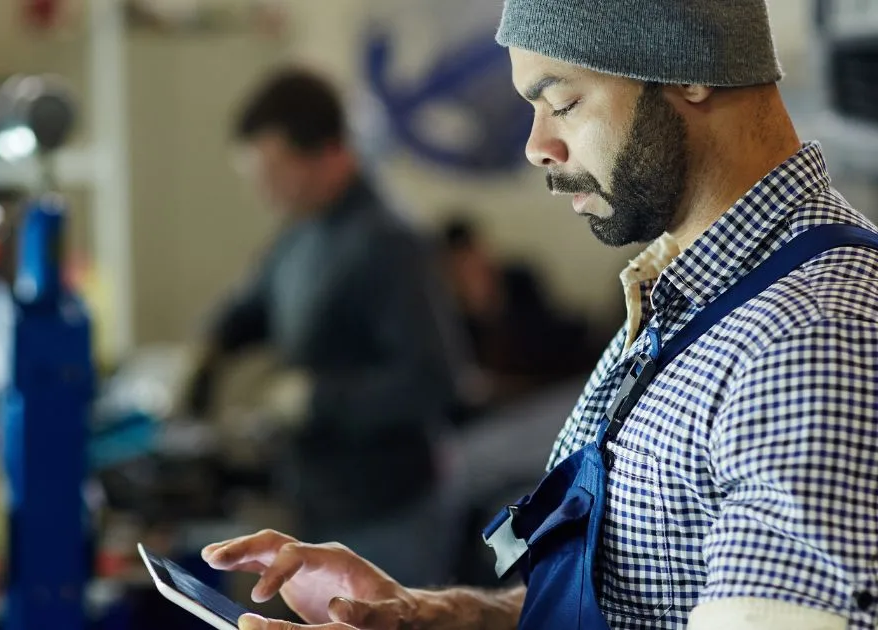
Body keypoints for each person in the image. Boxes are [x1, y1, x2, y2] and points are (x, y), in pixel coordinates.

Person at [199, 2, 878, 629]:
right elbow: (630, 600)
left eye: (563, 101)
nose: (538, 146)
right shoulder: (687, 296)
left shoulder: (807, 339)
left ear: (689, 67)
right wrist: (434, 615)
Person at [182, 67, 466, 587]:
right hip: (320, 504)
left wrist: (318, 401)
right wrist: (209, 346)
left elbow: (433, 381)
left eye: (273, 172)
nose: (263, 191)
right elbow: (253, 305)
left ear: (329, 152)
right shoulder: (303, 229)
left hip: (387, 515)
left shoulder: (389, 243)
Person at [439, 216, 599, 410]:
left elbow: (547, 334)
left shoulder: (518, 281)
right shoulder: (449, 318)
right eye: (462, 264)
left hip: (554, 379)